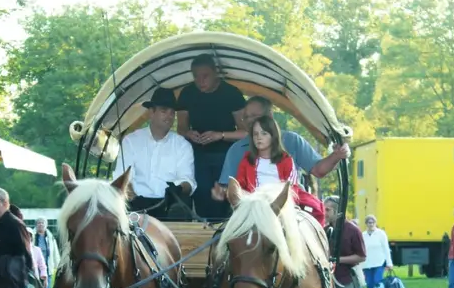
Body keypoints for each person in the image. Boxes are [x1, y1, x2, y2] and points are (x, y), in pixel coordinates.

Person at [212, 95, 350, 202]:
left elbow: (318, 171)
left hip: (287, 204)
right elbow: (233, 187)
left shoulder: (290, 145)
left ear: (270, 116)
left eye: (254, 116)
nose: (249, 120)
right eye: (246, 117)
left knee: (314, 213)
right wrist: (223, 192)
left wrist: (336, 155)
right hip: (250, 207)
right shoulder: (238, 152)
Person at [176, 54, 247, 220]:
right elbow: (180, 128)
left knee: (224, 196)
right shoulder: (187, 93)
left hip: (227, 155)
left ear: (216, 73)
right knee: (202, 195)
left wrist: (220, 136)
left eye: (205, 76)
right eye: (196, 77)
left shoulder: (232, 93)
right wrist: (189, 133)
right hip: (197, 154)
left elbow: (245, 132)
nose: (200, 81)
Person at [113, 87, 196, 220]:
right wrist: (134, 200)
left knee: (181, 207)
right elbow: (122, 178)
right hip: (136, 204)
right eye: (164, 111)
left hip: (169, 205)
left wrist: (178, 189)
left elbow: (188, 181)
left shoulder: (182, 145)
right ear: (151, 112)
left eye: (172, 113)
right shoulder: (131, 141)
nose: (169, 116)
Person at [231, 115, 326, 225]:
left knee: (315, 209)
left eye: (264, 133)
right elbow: (240, 185)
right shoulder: (247, 160)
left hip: (280, 202)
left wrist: (276, 200)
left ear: (273, 136)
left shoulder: (286, 160)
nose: (259, 137)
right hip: (254, 202)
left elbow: (291, 187)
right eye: (255, 134)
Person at [361, 215, 393, 288]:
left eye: (372, 222)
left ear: (375, 223)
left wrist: (389, 262)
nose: (371, 224)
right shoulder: (363, 235)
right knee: (369, 284)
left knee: (378, 283)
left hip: (379, 262)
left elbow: (386, 248)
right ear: (366, 224)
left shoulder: (381, 234)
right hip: (367, 264)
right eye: (369, 223)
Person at [33, 218, 59, 288]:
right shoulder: (32, 236)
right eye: (38, 223)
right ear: (36, 225)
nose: (40, 224)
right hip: (35, 267)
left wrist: (57, 265)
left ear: (46, 225)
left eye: (42, 223)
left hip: (48, 267)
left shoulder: (51, 238)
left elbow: (55, 252)